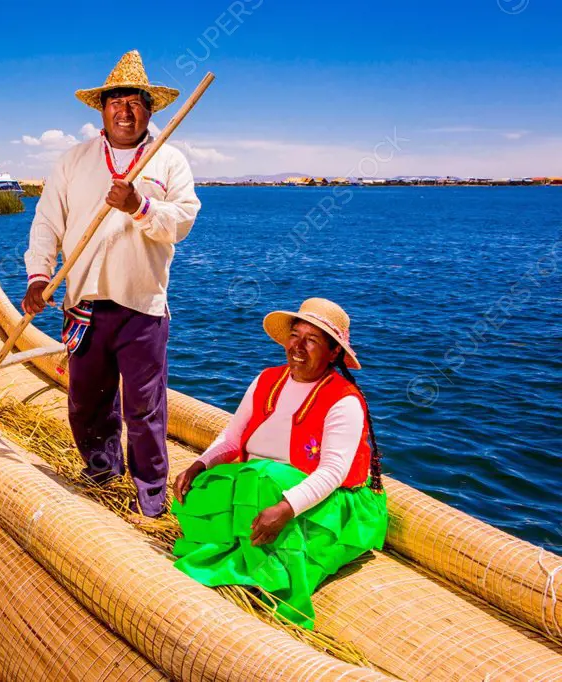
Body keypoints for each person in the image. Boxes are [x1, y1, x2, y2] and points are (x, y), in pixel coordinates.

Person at [21, 50, 201, 518]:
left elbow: (181, 221)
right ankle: (102, 473)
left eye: (135, 102)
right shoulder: (74, 161)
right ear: (101, 109)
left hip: (142, 307)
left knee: (145, 410)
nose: (125, 110)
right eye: (115, 101)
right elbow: (46, 224)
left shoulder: (169, 161)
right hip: (83, 306)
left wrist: (139, 205)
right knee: (86, 403)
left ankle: (151, 495)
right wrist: (39, 275)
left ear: (150, 109)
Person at [171, 298, 388, 629]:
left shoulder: (344, 401)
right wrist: (199, 465)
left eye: (312, 340)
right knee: (201, 488)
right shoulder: (268, 379)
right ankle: (244, 544)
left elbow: (332, 473)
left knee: (264, 480)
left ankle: (266, 574)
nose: (298, 347)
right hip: (257, 483)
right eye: (295, 336)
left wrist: (285, 508)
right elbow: (231, 438)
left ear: (333, 353)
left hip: (324, 500)